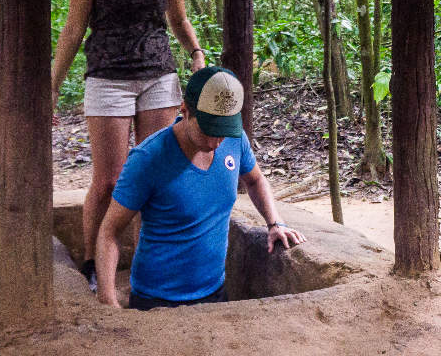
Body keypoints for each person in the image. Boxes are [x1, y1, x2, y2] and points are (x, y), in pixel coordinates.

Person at [50, 0, 205, 291]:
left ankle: (147, 259)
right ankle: (90, 260)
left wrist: (196, 52)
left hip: (158, 75)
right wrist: (52, 85)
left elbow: (179, 20)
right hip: (107, 78)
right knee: (109, 179)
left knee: (154, 172)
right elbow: (72, 29)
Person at [95, 66, 305, 310]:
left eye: (224, 132)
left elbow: (255, 180)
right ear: (185, 111)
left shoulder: (235, 140)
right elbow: (109, 232)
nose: (216, 142)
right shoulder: (147, 159)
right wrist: (108, 299)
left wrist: (274, 222)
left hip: (215, 292)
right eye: (209, 130)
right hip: (156, 301)